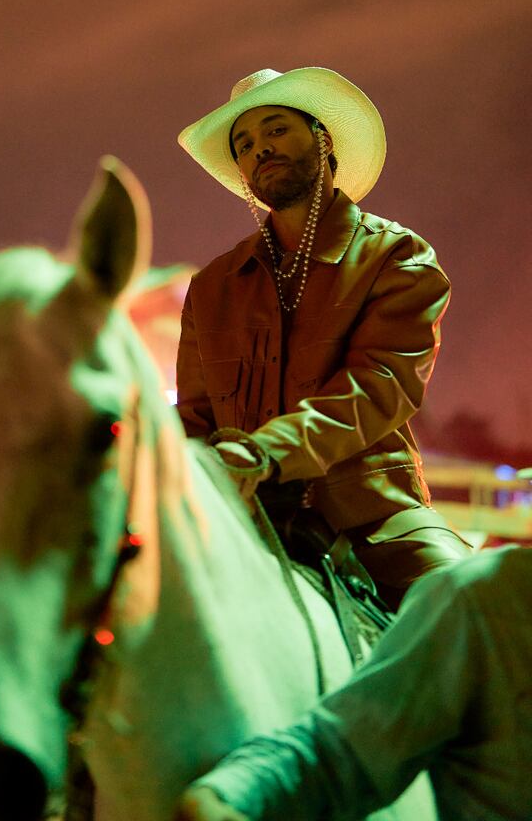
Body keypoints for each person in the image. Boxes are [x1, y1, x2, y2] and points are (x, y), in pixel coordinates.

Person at [176, 66, 469, 606]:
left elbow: (381, 385)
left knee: (476, 606)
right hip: (237, 525)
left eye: (276, 129)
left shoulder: (396, 257)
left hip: (374, 521)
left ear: (323, 139)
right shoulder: (210, 287)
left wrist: (266, 453)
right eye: (244, 144)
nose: (259, 148)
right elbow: (193, 419)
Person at [175, 543, 532, 821]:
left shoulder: (482, 599)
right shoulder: (485, 600)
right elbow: (339, 752)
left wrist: (266, 458)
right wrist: (229, 793)